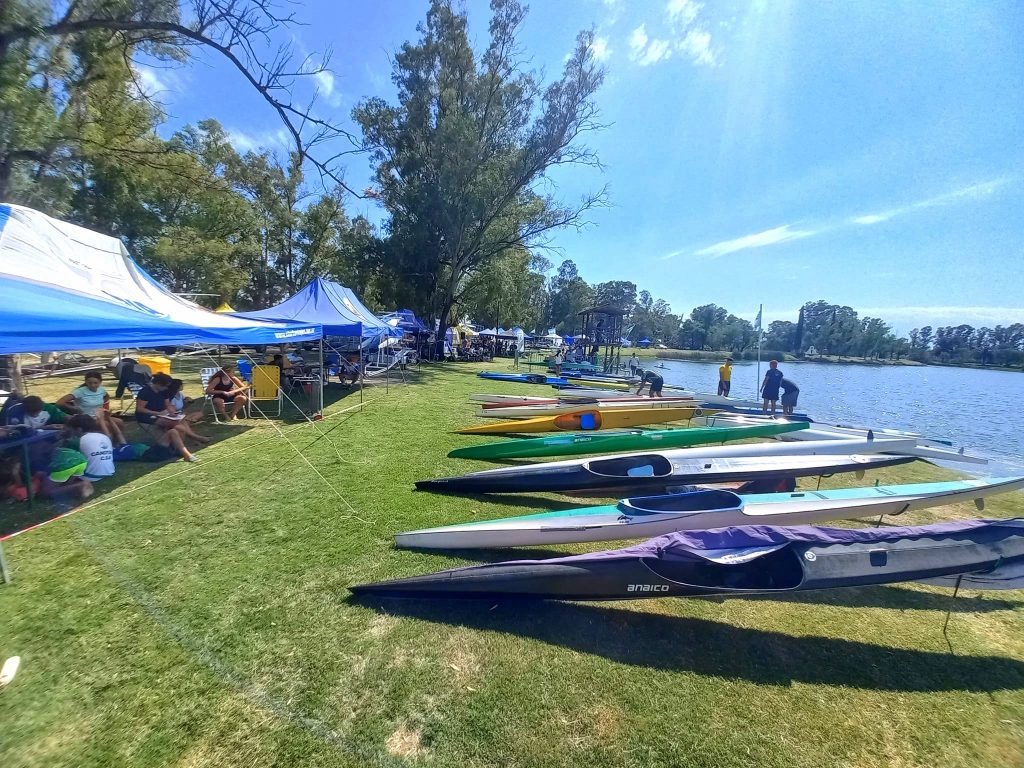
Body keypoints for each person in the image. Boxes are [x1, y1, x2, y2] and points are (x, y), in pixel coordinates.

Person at [135, 373, 199, 462]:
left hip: (162, 414)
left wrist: (172, 411)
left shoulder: (163, 391)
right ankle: (191, 440)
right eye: (165, 386)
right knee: (173, 424)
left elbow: (167, 404)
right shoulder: (145, 392)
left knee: (180, 426)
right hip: (147, 416)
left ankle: (178, 448)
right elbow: (140, 409)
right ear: (158, 384)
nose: (166, 388)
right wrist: (158, 413)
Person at [57, 372, 125, 445]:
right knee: (108, 425)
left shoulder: (101, 390)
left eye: (95, 383)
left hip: (99, 416)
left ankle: (116, 443)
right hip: (87, 419)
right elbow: (60, 402)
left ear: (100, 382)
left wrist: (102, 407)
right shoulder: (80, 392)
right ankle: (106, 443)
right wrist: (75, 408)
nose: (93, 385)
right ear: (86, 382)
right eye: (90, 383)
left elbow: (106, 397)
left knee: (120, 422)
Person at [64, 414, 115, 482]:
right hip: (109, 471)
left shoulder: (77, 441)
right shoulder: (104, 436)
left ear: (79, 429)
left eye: (72, 430)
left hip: (89, 476)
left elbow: (66, 459)